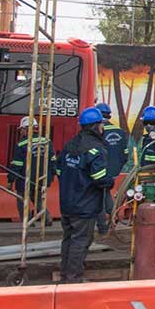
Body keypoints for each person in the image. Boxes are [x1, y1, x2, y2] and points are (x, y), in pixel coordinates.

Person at [57, 107, 114, 283]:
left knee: (68, 239)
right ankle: (74, 279)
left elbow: (59, 170)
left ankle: (65, 274)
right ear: (96, 126)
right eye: (101, 125)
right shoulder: (95, 150)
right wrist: (109, 181)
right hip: (85, 205)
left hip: (67, 203)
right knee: (80, 241)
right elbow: (100, 178)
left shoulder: (70, 145)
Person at [6, 116, 56, 223]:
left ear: (25, 129)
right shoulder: (47, 141)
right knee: (37, 198)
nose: (20, 132)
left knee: (22, 199)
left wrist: (10, 180)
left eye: (21, 130)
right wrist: (51, 177)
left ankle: (27, 221)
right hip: (42, 177)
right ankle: (46, 218)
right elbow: (53, 161)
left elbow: (16, 165)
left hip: (25, 178)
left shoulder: (21, 145)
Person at [95, 102, 128, 234]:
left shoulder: (98, 132)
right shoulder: (120, 132)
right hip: (114, 171)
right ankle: (113, 217)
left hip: (100, 171)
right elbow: (125, 154)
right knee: (106, 194)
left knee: (99, 198)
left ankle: (103, 226)